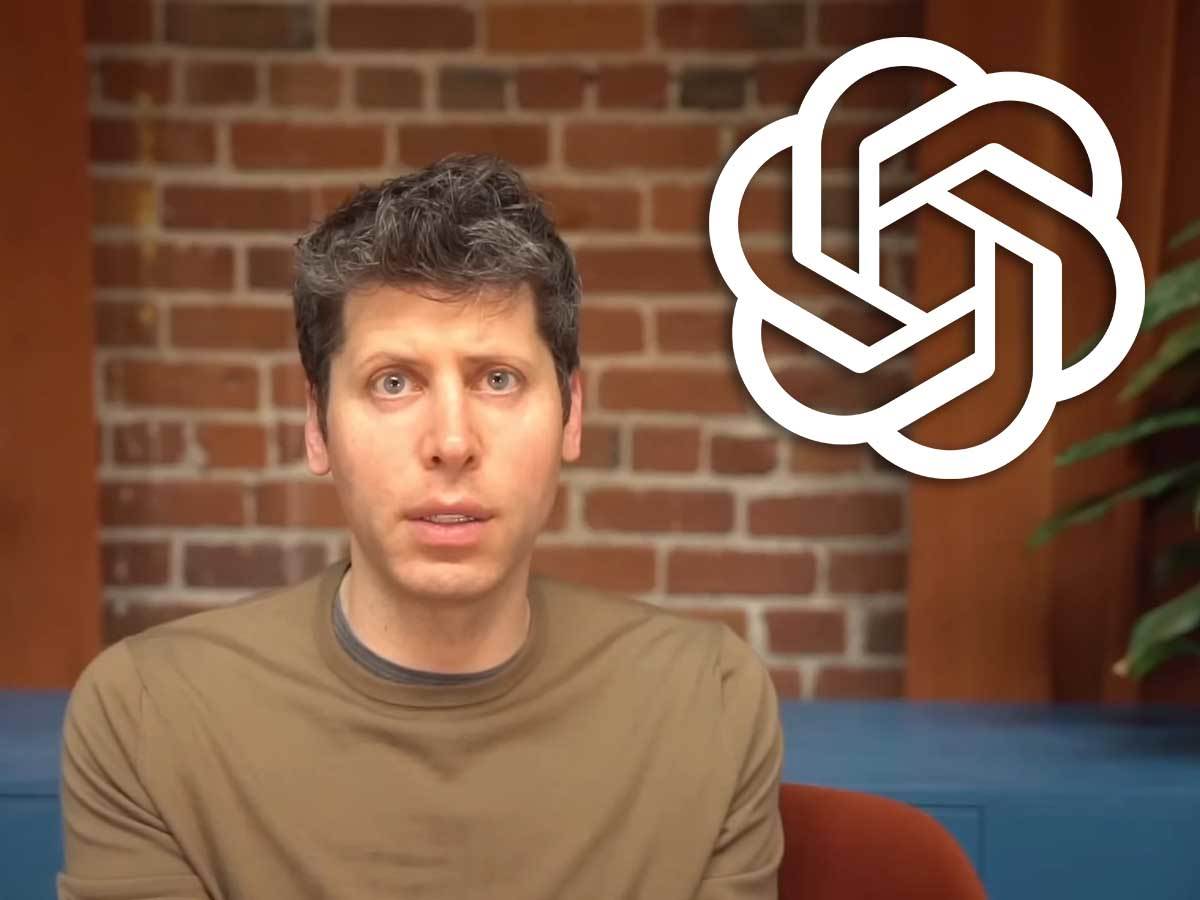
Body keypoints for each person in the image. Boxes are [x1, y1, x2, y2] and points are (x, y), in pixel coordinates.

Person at [57, 154, 785, 899]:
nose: (452, 442)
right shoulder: (149, 716)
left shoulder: (708, 703)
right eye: (394, 382)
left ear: (572, 414)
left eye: (497, 379)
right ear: (317, 425)